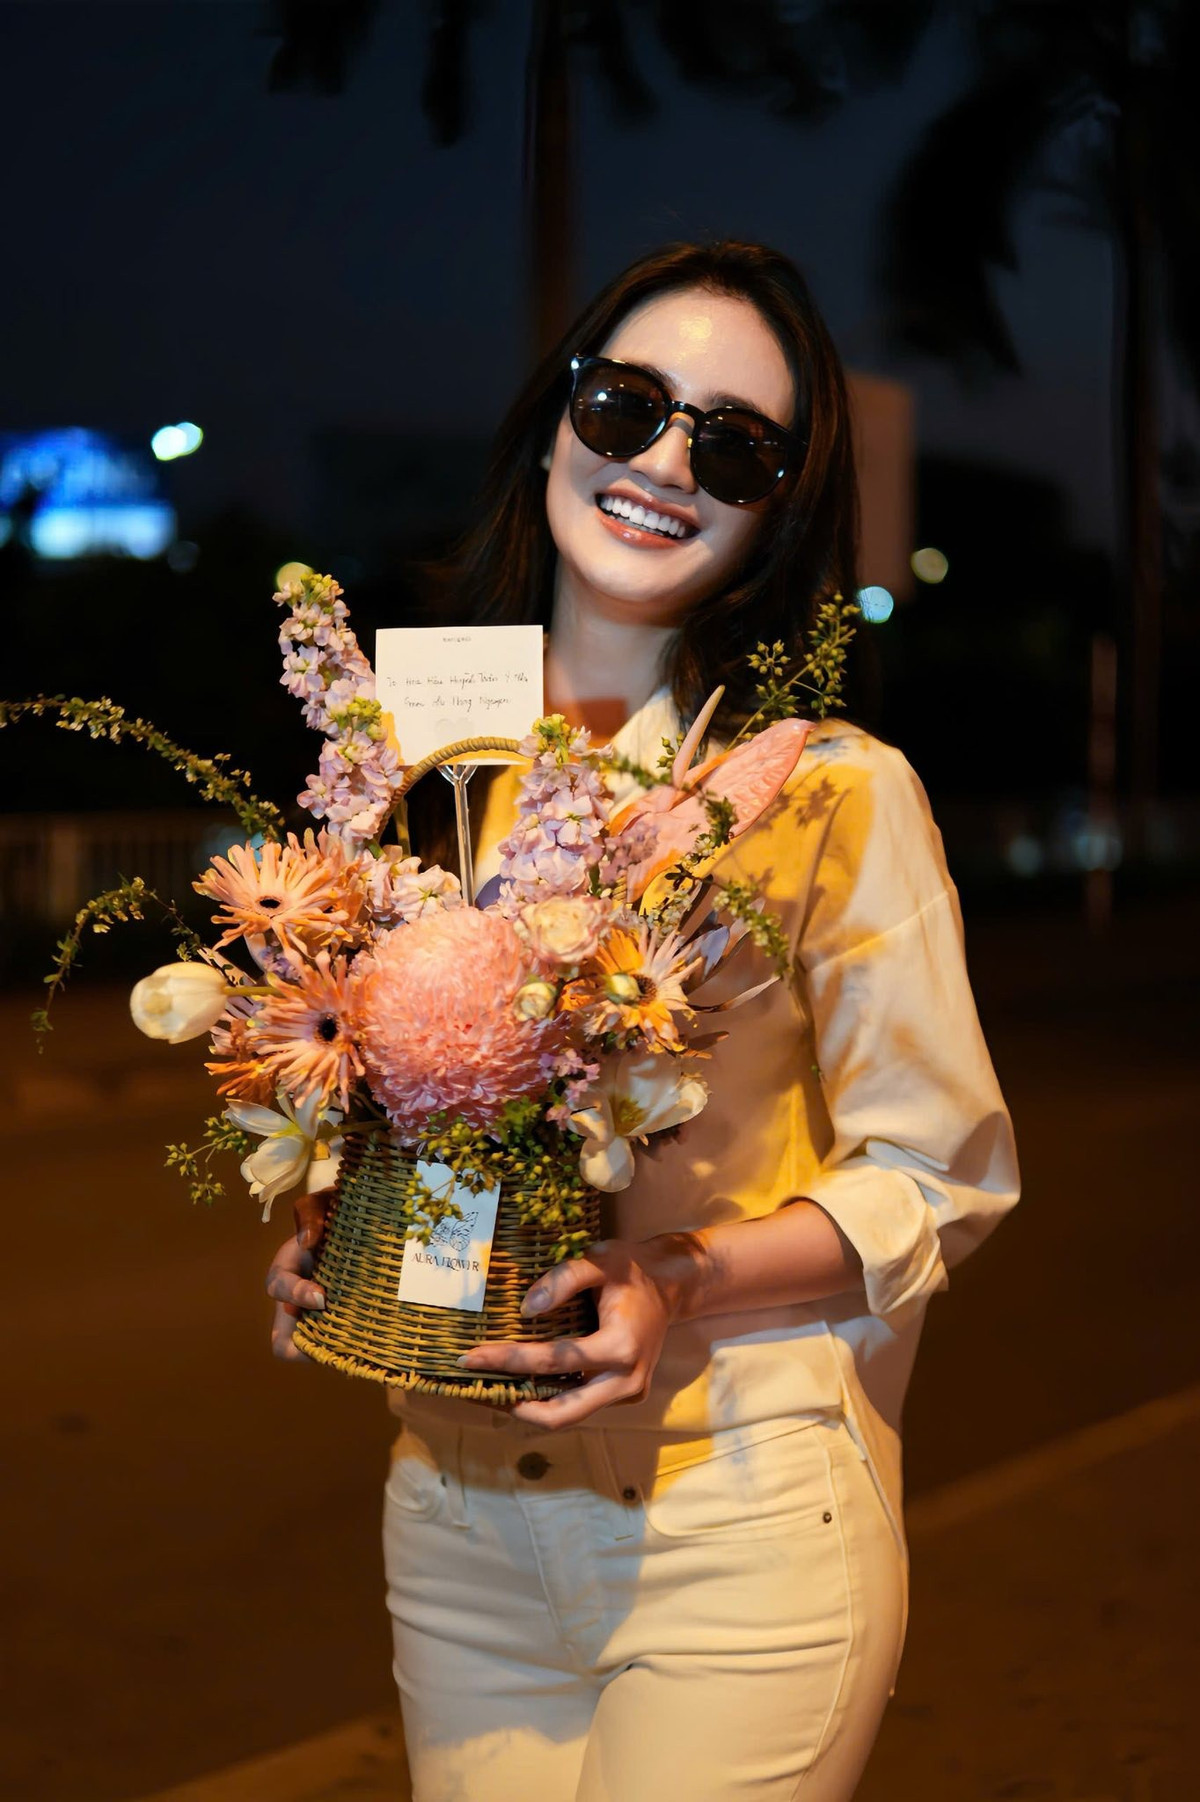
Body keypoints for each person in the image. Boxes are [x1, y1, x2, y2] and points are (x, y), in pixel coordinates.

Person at [266, 240, 1020, 1801]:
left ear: (780, 506)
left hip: (732, 1523)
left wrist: (674, 1274)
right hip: (458, 1519)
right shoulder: (417, 761)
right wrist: (341, 1224)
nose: (668, 463)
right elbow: (416, 1106)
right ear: (556, 418)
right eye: (629, 405)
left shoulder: (831, 790)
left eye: (734, 445)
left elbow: (940, 1174)